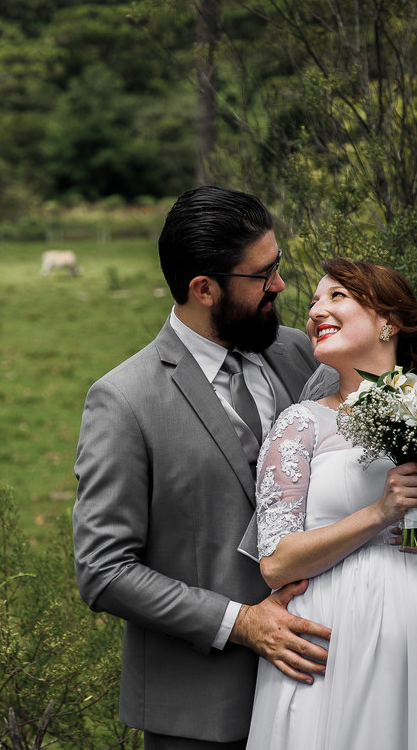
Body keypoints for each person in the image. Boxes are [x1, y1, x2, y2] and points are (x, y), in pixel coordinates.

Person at [73, 185, 336, 749]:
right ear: (204, 289)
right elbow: (103, 570)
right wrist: (241, 623)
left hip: (323, 694)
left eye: (278, 265)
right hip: (201, 714)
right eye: (262, 275)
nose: (280, 286)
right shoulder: (124, 401)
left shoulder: (303, 354)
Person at [243, 258, 417, 750]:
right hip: (340, 648)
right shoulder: (301, 425)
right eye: (314, 301)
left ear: (390, 321)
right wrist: (378, 514)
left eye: (336, 296)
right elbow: (275, 564)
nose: (316, 310)